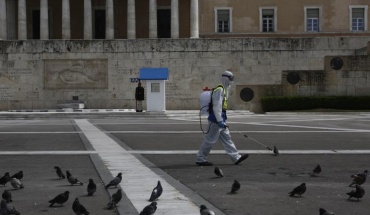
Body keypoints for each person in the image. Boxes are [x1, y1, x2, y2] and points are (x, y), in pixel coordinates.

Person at [196, 71, 249, 166]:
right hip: (216, 120)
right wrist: (220, 120)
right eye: (230, 79)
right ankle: (200, 159)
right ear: (225, 78)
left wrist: (222, 120)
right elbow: (217, 107)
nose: (231, 81)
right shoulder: (219, 90)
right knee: (210, 140)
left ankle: (236, 157)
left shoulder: (225, 89)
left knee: (227, 139)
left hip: (221, 119)